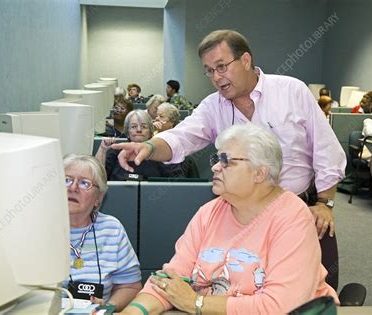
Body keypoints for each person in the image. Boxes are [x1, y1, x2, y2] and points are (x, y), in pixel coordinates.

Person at [113, 30, 346, 241]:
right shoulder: (213, 106)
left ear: (245, 60)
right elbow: (181, 136)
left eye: (222, 66)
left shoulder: (291, 91)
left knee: (294, 283)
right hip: (240, 215)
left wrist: (325, 203)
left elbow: (326, 150)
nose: (216, 77)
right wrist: (149, 147)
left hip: (296, 208)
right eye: (210, 71)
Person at [119, 124, 339, 315]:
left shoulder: (292, 218)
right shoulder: (209, 212)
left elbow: (280, 306)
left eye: (225, 161)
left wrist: (196, 302)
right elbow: (171, 280)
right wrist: (132, 311)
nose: (214, 166)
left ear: (259, 173)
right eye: (216, 159)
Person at [62, 154, 141, 311]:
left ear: (98, 198)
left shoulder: (111, 229)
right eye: (67, 180)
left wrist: (108, 307)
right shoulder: (37, 228)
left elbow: (130, 286)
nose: (73, 188)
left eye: (84, 183)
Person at [98, 110, 184, 180]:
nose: (139, 130)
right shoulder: (115, 152)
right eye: (134, 127)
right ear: (127, 132)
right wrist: (102, 149)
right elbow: (98, 179)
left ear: (150, 132)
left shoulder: (161, 152)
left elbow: (175, 185)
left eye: (144, 126)